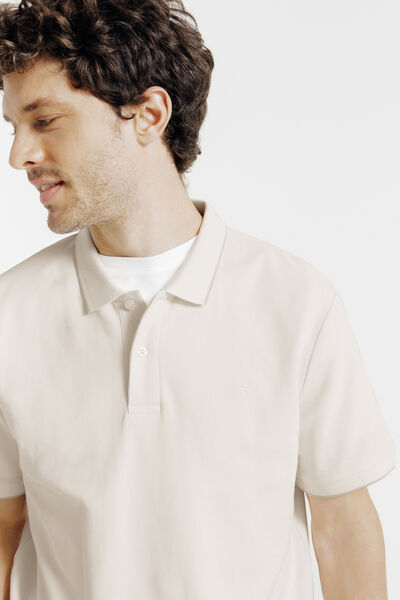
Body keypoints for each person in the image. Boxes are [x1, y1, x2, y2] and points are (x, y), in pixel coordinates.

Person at [0, 1, 396, 599]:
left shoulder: (295, 303)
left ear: (148, 114)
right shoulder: (11, 314)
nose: (19, 155)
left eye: (45, 120)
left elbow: (341, 528)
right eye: (13, 127)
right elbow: (5, 525)